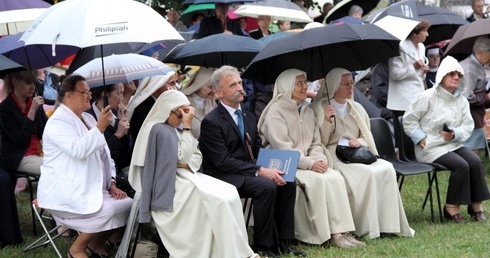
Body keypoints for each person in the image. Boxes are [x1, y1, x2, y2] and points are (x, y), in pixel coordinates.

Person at [128, 90, 258, 258]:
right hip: (170, 186)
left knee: (230, 192)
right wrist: (188, 130)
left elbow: (196, 156)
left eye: (186, 115)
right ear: (168, 110)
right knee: (218, 200)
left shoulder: (174, 129)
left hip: (188, 176)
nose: (183, 119)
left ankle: (237, 251)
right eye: (181, 114)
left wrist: (183, 159)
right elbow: (182, 156)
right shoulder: (159, 129)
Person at [199, 66, 303, 257]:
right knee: (265, 186)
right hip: (223, 176)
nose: (240, 87)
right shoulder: (211, 122)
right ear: (219, 93)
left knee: (287, 181)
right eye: (233, 85)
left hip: (246, 171)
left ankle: (283, 241)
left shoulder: (248, 116)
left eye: (239, 82)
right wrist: (260, 171)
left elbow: (256, 150)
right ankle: (263, 246)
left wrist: (274, 166)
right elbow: (222, 161)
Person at [258, 69, 365, 248]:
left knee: (334, 177)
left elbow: (316, 143)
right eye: (299, 83)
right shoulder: (275, 111)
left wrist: (319, 159)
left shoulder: (306, 110)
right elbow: (282, 147)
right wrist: (310, 163)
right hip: (287, 165)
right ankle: (328, 234)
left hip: (308, 162)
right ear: (287, 86)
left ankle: (343, 231)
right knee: (318, 181)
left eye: (305, 82)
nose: (304, 87)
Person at [311, 68, 414, 239]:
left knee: (386, 168)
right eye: (346, 84)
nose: (351, 87)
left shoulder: (356, 107)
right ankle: (367, 228)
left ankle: (388, 225)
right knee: (367, 174)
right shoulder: (318, 108)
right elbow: (317, 141)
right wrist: (327, 121)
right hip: (333, 154)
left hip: (357, 152)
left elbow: (365, 136)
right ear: (334, 86)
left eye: (352, 83)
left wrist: (359, 142)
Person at [37, 75, 132, 258]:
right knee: (110, 210)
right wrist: (100, 128)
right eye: (84, 92)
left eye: (89, 92)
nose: (89, 96)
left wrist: (111, 183)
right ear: (68, 94)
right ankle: (76, 250)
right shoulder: (57, 122)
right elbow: (78, 150)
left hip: (90, 185)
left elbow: (105, 155)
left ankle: (95, 244)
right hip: (65, 189)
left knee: (127, 204)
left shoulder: (87, 118)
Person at [403, 56, 490, 223]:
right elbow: (409, 119)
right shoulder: (427, 96)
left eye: (458, 75)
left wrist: (455, 133)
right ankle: (451, 207)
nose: (456, 77)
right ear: (442, 76)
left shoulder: (461, 100)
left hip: (452, 143)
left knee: (475, 161)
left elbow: (467, 125)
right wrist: (420, 138)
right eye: (451, 74)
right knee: (461, 165)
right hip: (430, 146)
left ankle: (475, 205)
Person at [0, 70, 47, 194]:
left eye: (34, 82)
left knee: (67, 164)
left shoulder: (35, 103)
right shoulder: (5, 109)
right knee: (55, 168)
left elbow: (45, 132)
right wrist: (32, 112)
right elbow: (21, 141)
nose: (32, 87)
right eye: (27, 83)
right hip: (19, 156)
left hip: (40, 152)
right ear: (15, 82)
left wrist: (38, 111)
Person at [387, 19, 430, 142]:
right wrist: (414, 67)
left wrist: (423, 71)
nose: (427, 34)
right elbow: (394, 74)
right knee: (404, 138)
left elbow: (418, 74)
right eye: (425, 31)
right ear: (415, 33)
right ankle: (404, 159)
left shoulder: (421, 47)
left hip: (418, 97)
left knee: (417, 134)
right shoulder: (401, 47)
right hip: (402, 101)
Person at [459, 36, 490, 155]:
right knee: (472, 153)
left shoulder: (479, 65)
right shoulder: (469, 68)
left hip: (476, 115)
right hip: (469, 117)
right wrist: (486, 97)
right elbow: (467, 97)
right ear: (481, 52)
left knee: (475, 153)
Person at [126, 71, 177, 143]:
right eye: (172, 83)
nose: (175, 88)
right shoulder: (142, 107)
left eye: (175, 83)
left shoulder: (161, 102)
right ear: (159, 84)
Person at [181, 67, 217, 138]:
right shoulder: (183, 101)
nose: (214, 90)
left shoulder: (212, 102)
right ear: (199, 85)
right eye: (210, 87)